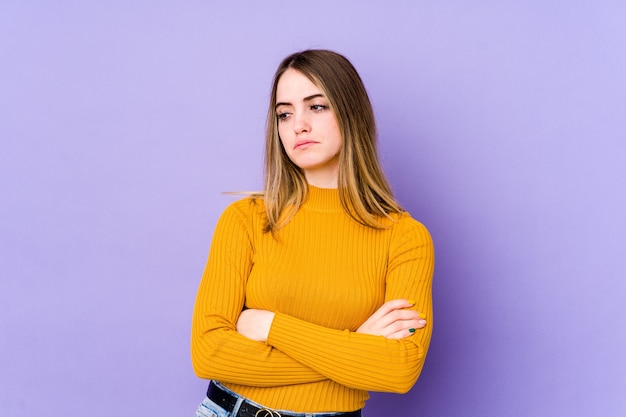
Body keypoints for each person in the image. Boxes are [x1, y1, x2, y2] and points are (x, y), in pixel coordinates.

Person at [191, 49, 434, 417]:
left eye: (316, 107)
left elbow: (398, 370)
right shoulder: (247, 219)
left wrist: (268, 324)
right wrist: (356, 348)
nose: (297, 125)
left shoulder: (405, 237)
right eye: (284, 114)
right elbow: (209, 353)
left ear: (350, 113)